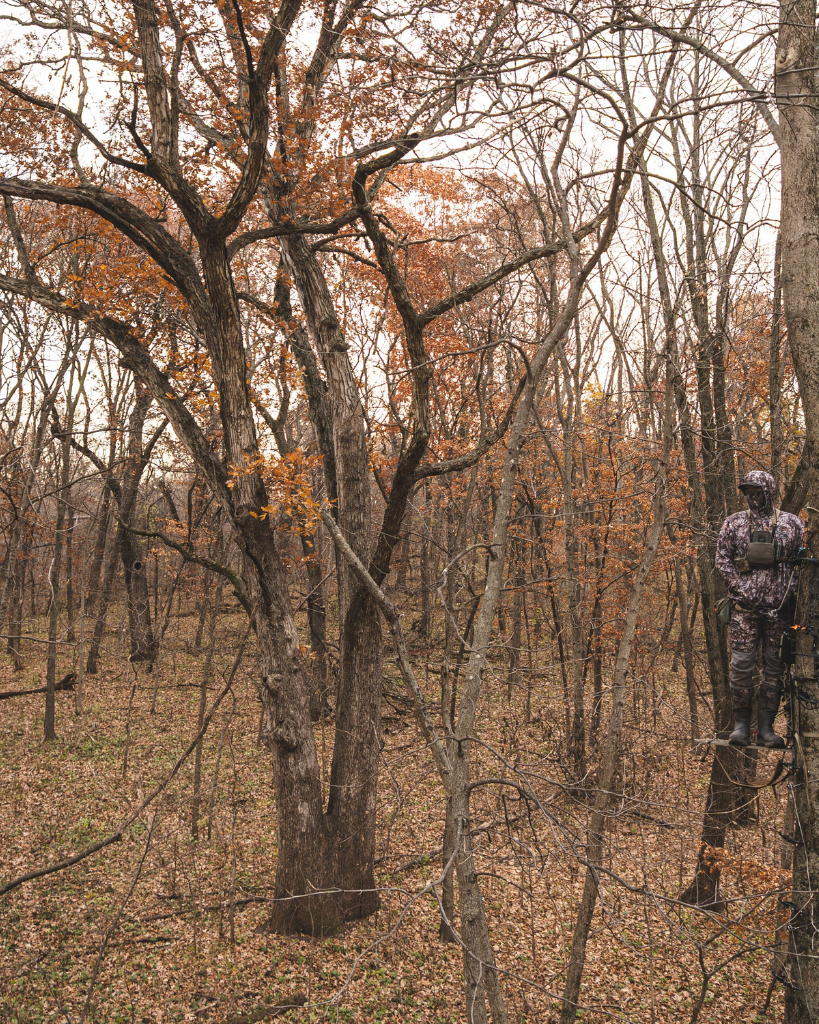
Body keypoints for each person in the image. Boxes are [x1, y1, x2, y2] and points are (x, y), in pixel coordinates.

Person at [715, 470, 804, 747]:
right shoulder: (734, 523)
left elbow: (804, 562)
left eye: (757, 490)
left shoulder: (792, 523)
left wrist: (791, 589)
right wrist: (739, 588)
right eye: (747, 490)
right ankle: (741, 725)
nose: (752, 495)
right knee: (741, 665)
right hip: (744, 611)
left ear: (769, 490)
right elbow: (722, 559)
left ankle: (766, 728)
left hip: (780, 612)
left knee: (774, 668)